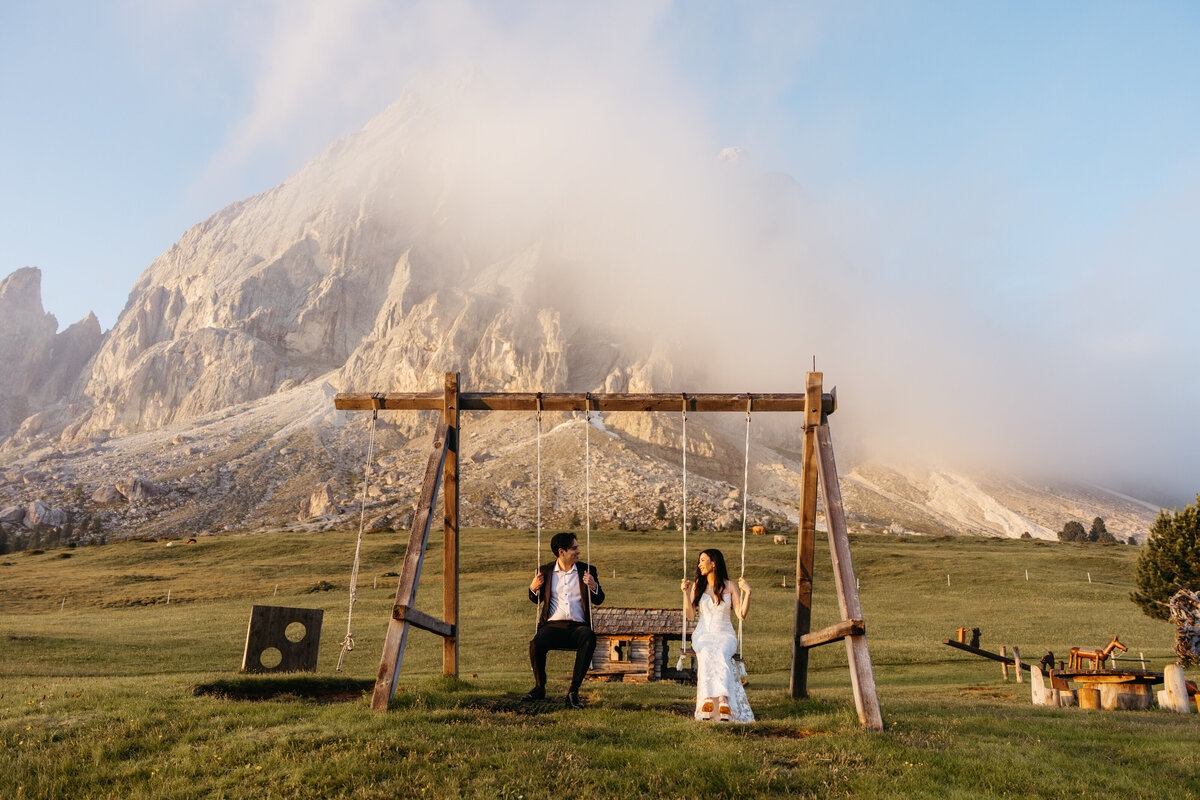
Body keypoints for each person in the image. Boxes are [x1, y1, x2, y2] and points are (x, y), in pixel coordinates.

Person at [524, 531, 605, 709]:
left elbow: (599, 599)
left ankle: (573, 692)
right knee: (536, 643)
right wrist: (533, 588)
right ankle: (539, 687)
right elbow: (534, 599)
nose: (578, 551)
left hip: (578, 627)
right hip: (553, 626)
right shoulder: (545, 571)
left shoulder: (587, 570)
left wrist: (593, 586)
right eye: (574, 548)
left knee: (589, 637)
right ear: (562, 552)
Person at [680, 548, 753, 722]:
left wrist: (748, 593)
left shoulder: (731, 586)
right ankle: (708, 699)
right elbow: (690, 616)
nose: (699, 564)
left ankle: (722, 700)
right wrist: (685, 592)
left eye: (702, 560)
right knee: (705, 652)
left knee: (720, 652)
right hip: (703, 633)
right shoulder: (698, 585)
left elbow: (740, 615)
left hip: (725, 634)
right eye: (699, 561)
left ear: (713, 563)